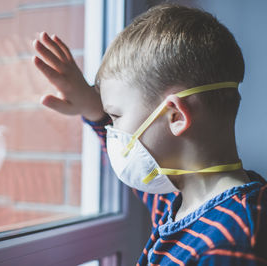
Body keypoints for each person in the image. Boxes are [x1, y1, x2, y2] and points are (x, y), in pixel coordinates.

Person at [32, 4, 267, 265]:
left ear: (176, 116)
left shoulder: (228, 247)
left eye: (116, 117)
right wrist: (93, 108)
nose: (113, 131)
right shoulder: (185, 204)